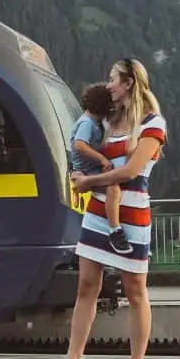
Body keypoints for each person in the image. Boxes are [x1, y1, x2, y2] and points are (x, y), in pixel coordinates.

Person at [42, 56, 166, 359]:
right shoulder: (109, 122)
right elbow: (103, 162)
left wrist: (90, 182)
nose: (108, 84)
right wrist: (85, 177)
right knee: (86, 286)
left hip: (133, 214)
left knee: (135, 291)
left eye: (113, 79)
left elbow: (131, 172)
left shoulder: (153, 125)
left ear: (128, 83)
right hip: (99, 211)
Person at [69, 83, 124, 242]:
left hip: (90, 169)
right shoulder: (87, 123)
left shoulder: (94, 122)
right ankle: (115, 229)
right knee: (113, 188)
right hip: (87, 171)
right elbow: (79, 145)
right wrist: (102, 159)